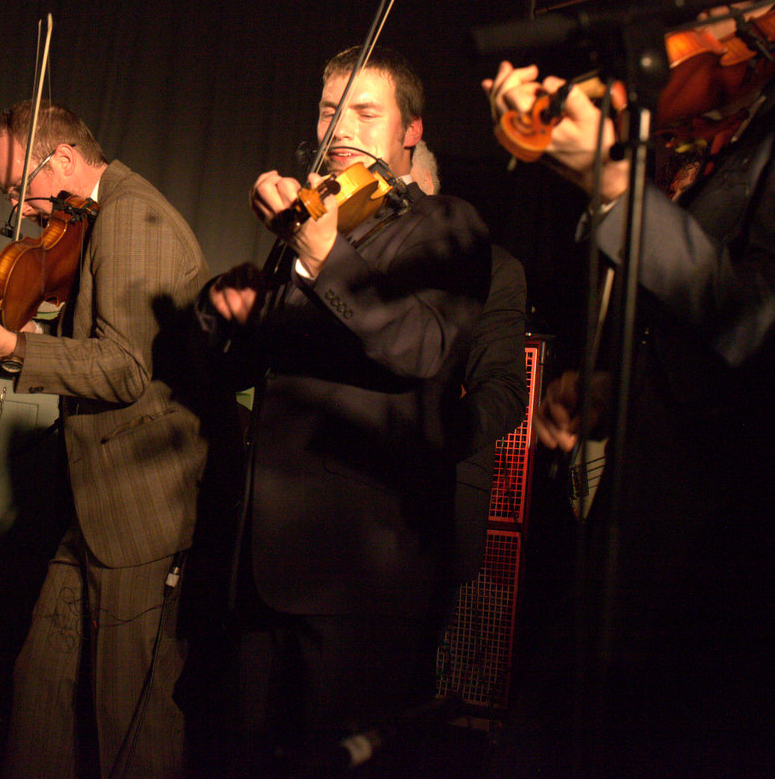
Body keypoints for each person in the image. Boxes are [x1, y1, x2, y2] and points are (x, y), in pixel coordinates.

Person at [484, 0, 775, 776]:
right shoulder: (734, 99)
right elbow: (702, 314)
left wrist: (618, 191)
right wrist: (617, 385)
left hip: (734, 566)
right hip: (648, 542)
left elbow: (769, 324)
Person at [187, 46, 527, 776]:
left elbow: (422, 347)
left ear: (411, 130)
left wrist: (322, 254)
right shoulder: (321, 218)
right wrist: (226, 316)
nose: (339, 128)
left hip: (356, 570)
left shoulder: (447, 225)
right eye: (329, 111)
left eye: (365, 113)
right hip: (262, 561)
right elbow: (254, 370)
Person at [0, 99, 220, 779]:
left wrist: (12, 345)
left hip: (141, 505)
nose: (17, 208)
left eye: (16, 188)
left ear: (61, 159)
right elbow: (97, 340)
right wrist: (25, 334)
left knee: (129, 717)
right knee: (42, 692)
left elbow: (124, 369)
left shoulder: (130, 217)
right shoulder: (95, 218)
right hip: (94, 501)